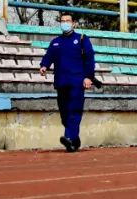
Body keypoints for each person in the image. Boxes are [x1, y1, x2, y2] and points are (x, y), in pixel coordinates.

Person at [39, 12, 96, 152]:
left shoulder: (82, 39)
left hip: (77, 82)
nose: (65, 23)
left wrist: (88, 77)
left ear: (74, 23)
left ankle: (68, 137)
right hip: (61, 82)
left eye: (68, 21)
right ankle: (74, 140)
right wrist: (44, 66)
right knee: (64, 114)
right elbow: (48, 56)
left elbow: (89, 59)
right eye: (62, 21)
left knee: (74, 111)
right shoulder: (55, 42)